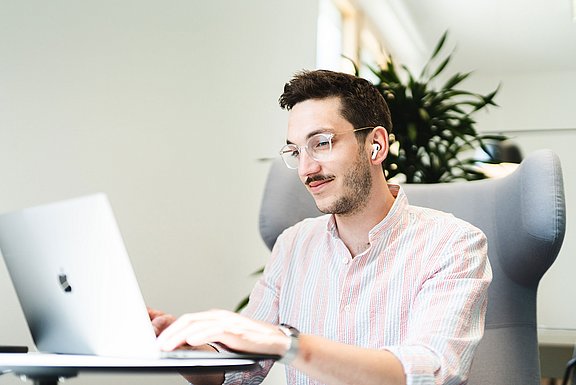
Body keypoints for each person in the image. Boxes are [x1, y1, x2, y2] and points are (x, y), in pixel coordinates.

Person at [150, 69, 492, 385]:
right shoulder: (293, 245)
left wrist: (287, 344)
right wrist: (178, 346)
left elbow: (430, 369)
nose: (306, 169)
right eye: (296, 151)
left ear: (376, 145)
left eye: (321, 143)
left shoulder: (453, 243)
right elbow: (238, 372)